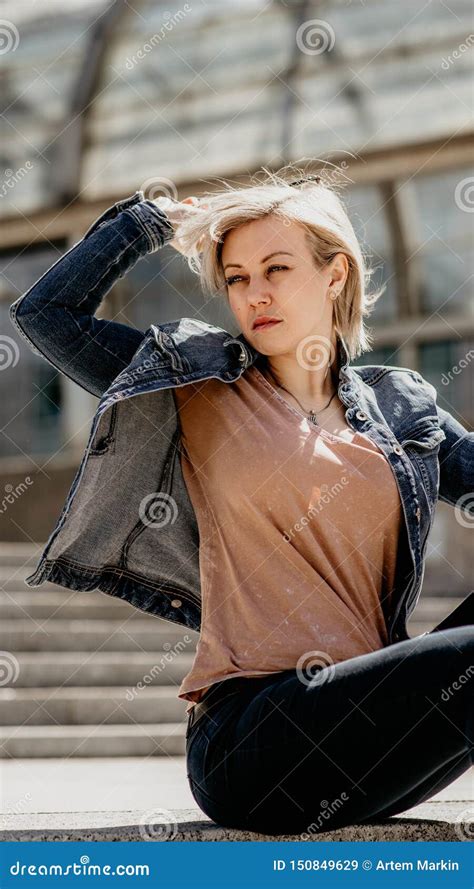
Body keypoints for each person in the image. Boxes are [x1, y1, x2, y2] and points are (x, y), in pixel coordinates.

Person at [9, 167, 473, 836]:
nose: (255, 293)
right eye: (237, 277)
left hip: (372, 732)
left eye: (277, 269)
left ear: (334, 275)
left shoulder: (402, 406)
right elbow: (46, 316)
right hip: (255, 738)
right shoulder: (198, 381)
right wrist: (152, 221)